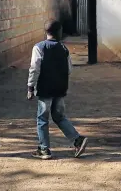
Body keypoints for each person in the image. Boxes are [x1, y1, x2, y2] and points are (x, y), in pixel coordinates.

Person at [27, 19, 88, 160]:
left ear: (46, 32)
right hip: (60, 89)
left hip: (45, 90)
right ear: (59, 32)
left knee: (42, 118)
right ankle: (77, 140)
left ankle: (44, 149)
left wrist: (30, 87)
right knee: (59, 116)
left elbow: (34, 69)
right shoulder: (63, 48)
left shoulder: (39, 47)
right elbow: (69, 69)